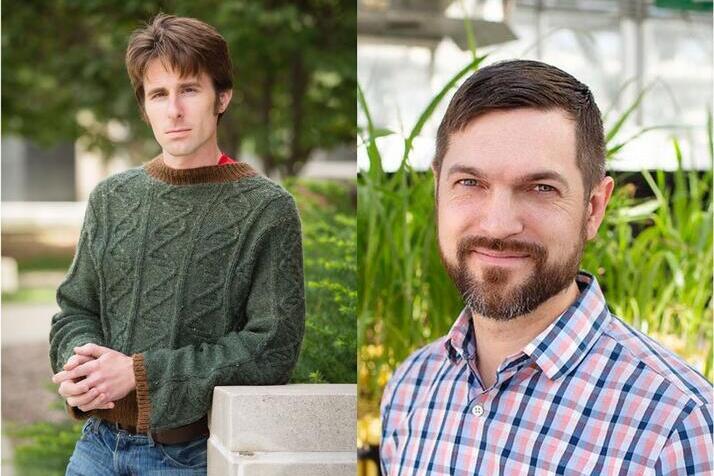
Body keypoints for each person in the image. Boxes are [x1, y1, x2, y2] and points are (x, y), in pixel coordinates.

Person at [380, 60, 713, 475]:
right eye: (470, 183)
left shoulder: (678, 429)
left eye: (541, 188)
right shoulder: (410, 388)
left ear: (593, 208)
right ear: (437, 190)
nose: (498, 224)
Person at [49, 14, 305, 474]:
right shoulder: (111, 198)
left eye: (189, 89)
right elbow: (75, 310)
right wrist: (80, 365)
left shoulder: (267, 209)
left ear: (221, 97)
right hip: (95, 448)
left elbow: (273, 346)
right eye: (158, 94)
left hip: (183, 457)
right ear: (145, 107)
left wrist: (140, 374)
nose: (174, 111)